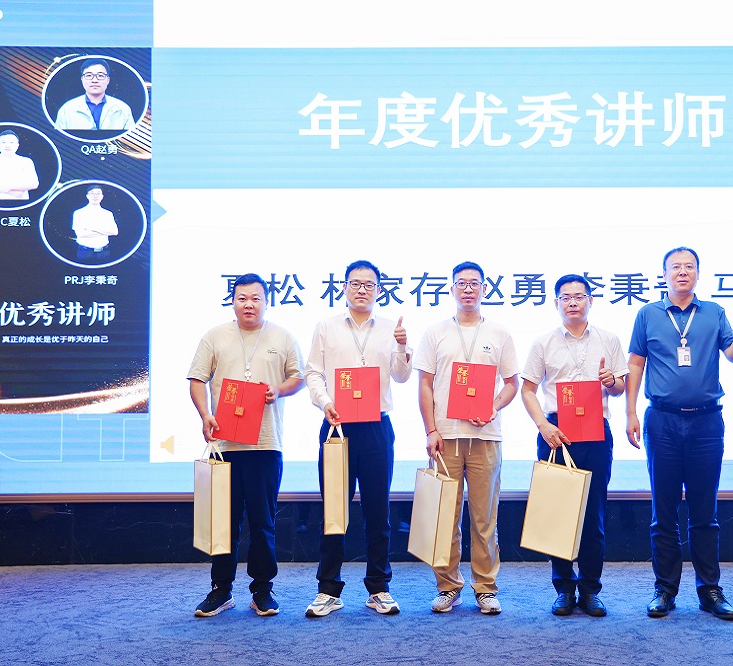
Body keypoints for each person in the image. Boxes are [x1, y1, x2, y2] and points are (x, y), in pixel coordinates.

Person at [625, 247, 733, 621]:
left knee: (704, 512)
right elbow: (636, 364)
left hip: (706, 423)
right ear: (664, 274)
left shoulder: (713, 312)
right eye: (675, 267)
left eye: (689, 267)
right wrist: (630, 411)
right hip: (661, 421)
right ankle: (664, 590)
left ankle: (709, 590)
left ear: (698, 273)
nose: (682, 272)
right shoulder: (648, 314)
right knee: (663, 512)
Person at [188, 273, 305, 618]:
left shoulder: (282, 336)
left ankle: (262, 590)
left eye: (255, 298)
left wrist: (279, 390)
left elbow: (298, 377)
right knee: (223, 522)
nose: (249, 304)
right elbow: (196, 379)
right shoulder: (214, 336)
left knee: (263, 522)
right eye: (242, 298)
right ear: (233, 301)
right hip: (224, 445)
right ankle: (220, 590)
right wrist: (205, 415)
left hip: (266, 445)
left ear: (266, 301)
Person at [303, 260, 412, 618]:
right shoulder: (327, 327)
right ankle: (328, 590)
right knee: (334, 510)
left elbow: (401, 376)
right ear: (344, 287)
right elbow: (313, 373)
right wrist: (325, 402)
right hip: (338, 426)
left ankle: (379, 588)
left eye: (369, 284)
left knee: (378, 511)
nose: (362, 289)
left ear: (379, 289)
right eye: (355, 283)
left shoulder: (391, 328)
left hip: (377, 427)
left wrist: (402, 347)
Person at [415, 261, 519, 615]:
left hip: (486, 436)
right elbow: (425, 384)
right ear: (452, 289)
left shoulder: (500, 333)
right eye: (461, 283)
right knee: (445, 515)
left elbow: (512, 384)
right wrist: (431, 429)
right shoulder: (435, 333)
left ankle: (485, 588)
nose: (468, 289)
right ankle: (448, 586)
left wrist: (492, 407)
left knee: (484, 517)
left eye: (475, 283)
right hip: (445, 436)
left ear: (485, 289)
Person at [520, 274, 627, 618]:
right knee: (558, 516)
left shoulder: (609, 339)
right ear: (556, 303)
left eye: (579, 296)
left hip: (596, 430)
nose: (572, 302)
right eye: (565, 297)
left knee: (594, 516)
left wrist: (611, 381)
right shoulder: (543, 343)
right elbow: (527, 389)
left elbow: (620, 388)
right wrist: (543, 425)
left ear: (590, 300)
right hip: (556, 431)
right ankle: (564, 589)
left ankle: (591, 590)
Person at [55, 59, 134, 131]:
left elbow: (129, 139)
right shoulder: (67, 109)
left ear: (108, 80)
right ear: (82, 79)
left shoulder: (123, 108)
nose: (95, 80)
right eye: (89, 75)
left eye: (100, 76)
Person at [0, 130, 39, 200]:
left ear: (17, 145)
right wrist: (11, 192)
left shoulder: (26, 161)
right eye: (3, 142)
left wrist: (9, 187)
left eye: (11, 142)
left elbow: (34, 184)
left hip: (21, 202)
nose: (7, 145)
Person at [72, 185, 118, 261]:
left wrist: (91, 228)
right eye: (92, 193)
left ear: (102, 196)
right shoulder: (79, 213)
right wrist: (105, 231)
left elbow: (114, 232)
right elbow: (81, 234)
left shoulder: (108, 214)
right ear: (87, 196)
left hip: (104, 251)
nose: (95, 196)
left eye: (98, 193)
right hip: (85, 251)